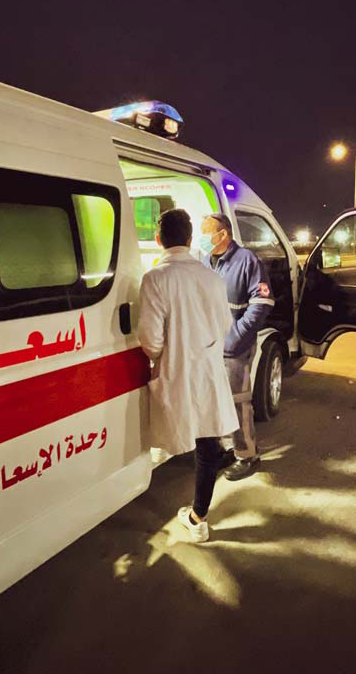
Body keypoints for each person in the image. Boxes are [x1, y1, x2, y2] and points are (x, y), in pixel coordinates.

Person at [138, 209, 239, 542]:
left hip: (176, 372)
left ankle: (190, 515)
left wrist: (169, 354)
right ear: (191, 238)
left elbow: (150, 342)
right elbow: (226, 325)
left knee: (175, 434)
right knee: (207, 443)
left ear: (158, 240)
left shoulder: (155, 278)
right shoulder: (211, 277)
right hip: (208, 371)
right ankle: (199, 517)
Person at [199, 213, 274, 481]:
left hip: (235, 348)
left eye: (206, 233)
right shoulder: (205, 261)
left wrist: (236, 338)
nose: (202, 238)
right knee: (215, 401)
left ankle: (247, 454)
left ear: (223, 234)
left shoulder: (247, 261)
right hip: (209, 347)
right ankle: (225, 449)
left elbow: (262, 304)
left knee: (238, 403)